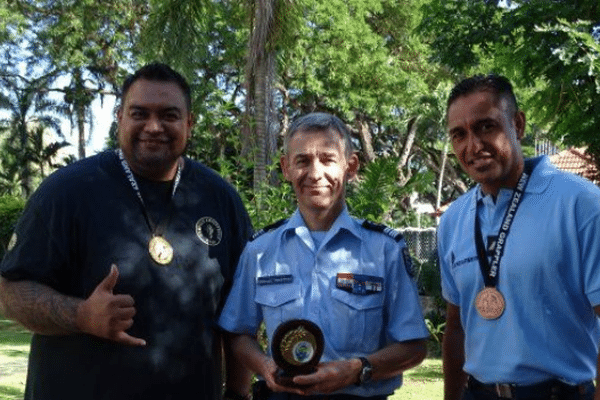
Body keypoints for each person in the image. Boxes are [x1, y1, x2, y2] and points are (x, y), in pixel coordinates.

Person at [0, 63, 253, 399]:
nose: (153, 126)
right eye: (139, 113)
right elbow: (11, 291)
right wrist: (81, 316)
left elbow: (239, 312)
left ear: (189, 123)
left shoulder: (221, 199)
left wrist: (238, 392)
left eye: (169, 115)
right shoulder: (67, 192)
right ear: (119, 117)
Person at [218, 112, 429, 400]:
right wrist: (266, 367)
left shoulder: (385, 251)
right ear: (286, 168)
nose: (315, 173)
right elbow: (238, 332)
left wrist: (357, 369)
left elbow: (414, 346)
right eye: (302, 160)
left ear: (350, 167)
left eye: (328, 159)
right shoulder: (260, 250)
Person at [438, 74, 600, 400]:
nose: (473, 146)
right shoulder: (453, 219)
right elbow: (455, 327)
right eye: (459, 134)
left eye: (486, 126)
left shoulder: (581, 204)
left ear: (518, 124)